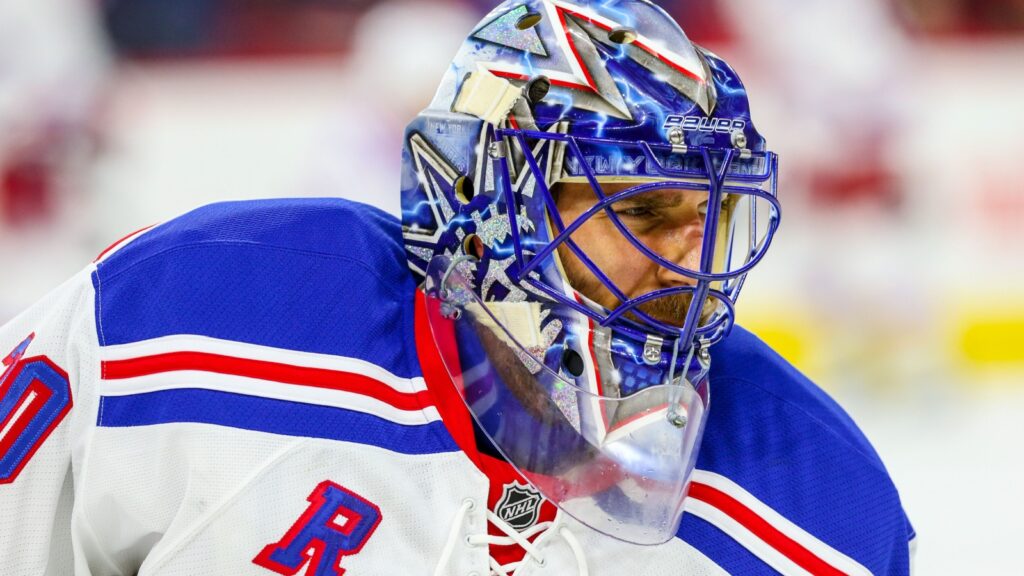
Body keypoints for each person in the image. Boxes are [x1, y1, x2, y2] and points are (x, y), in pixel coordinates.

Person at [0, 1, 914, 574]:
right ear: (490, 209)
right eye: (641, 216)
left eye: (711, 219)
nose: (692, 264)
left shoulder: (822, 517)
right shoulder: (186, 323)